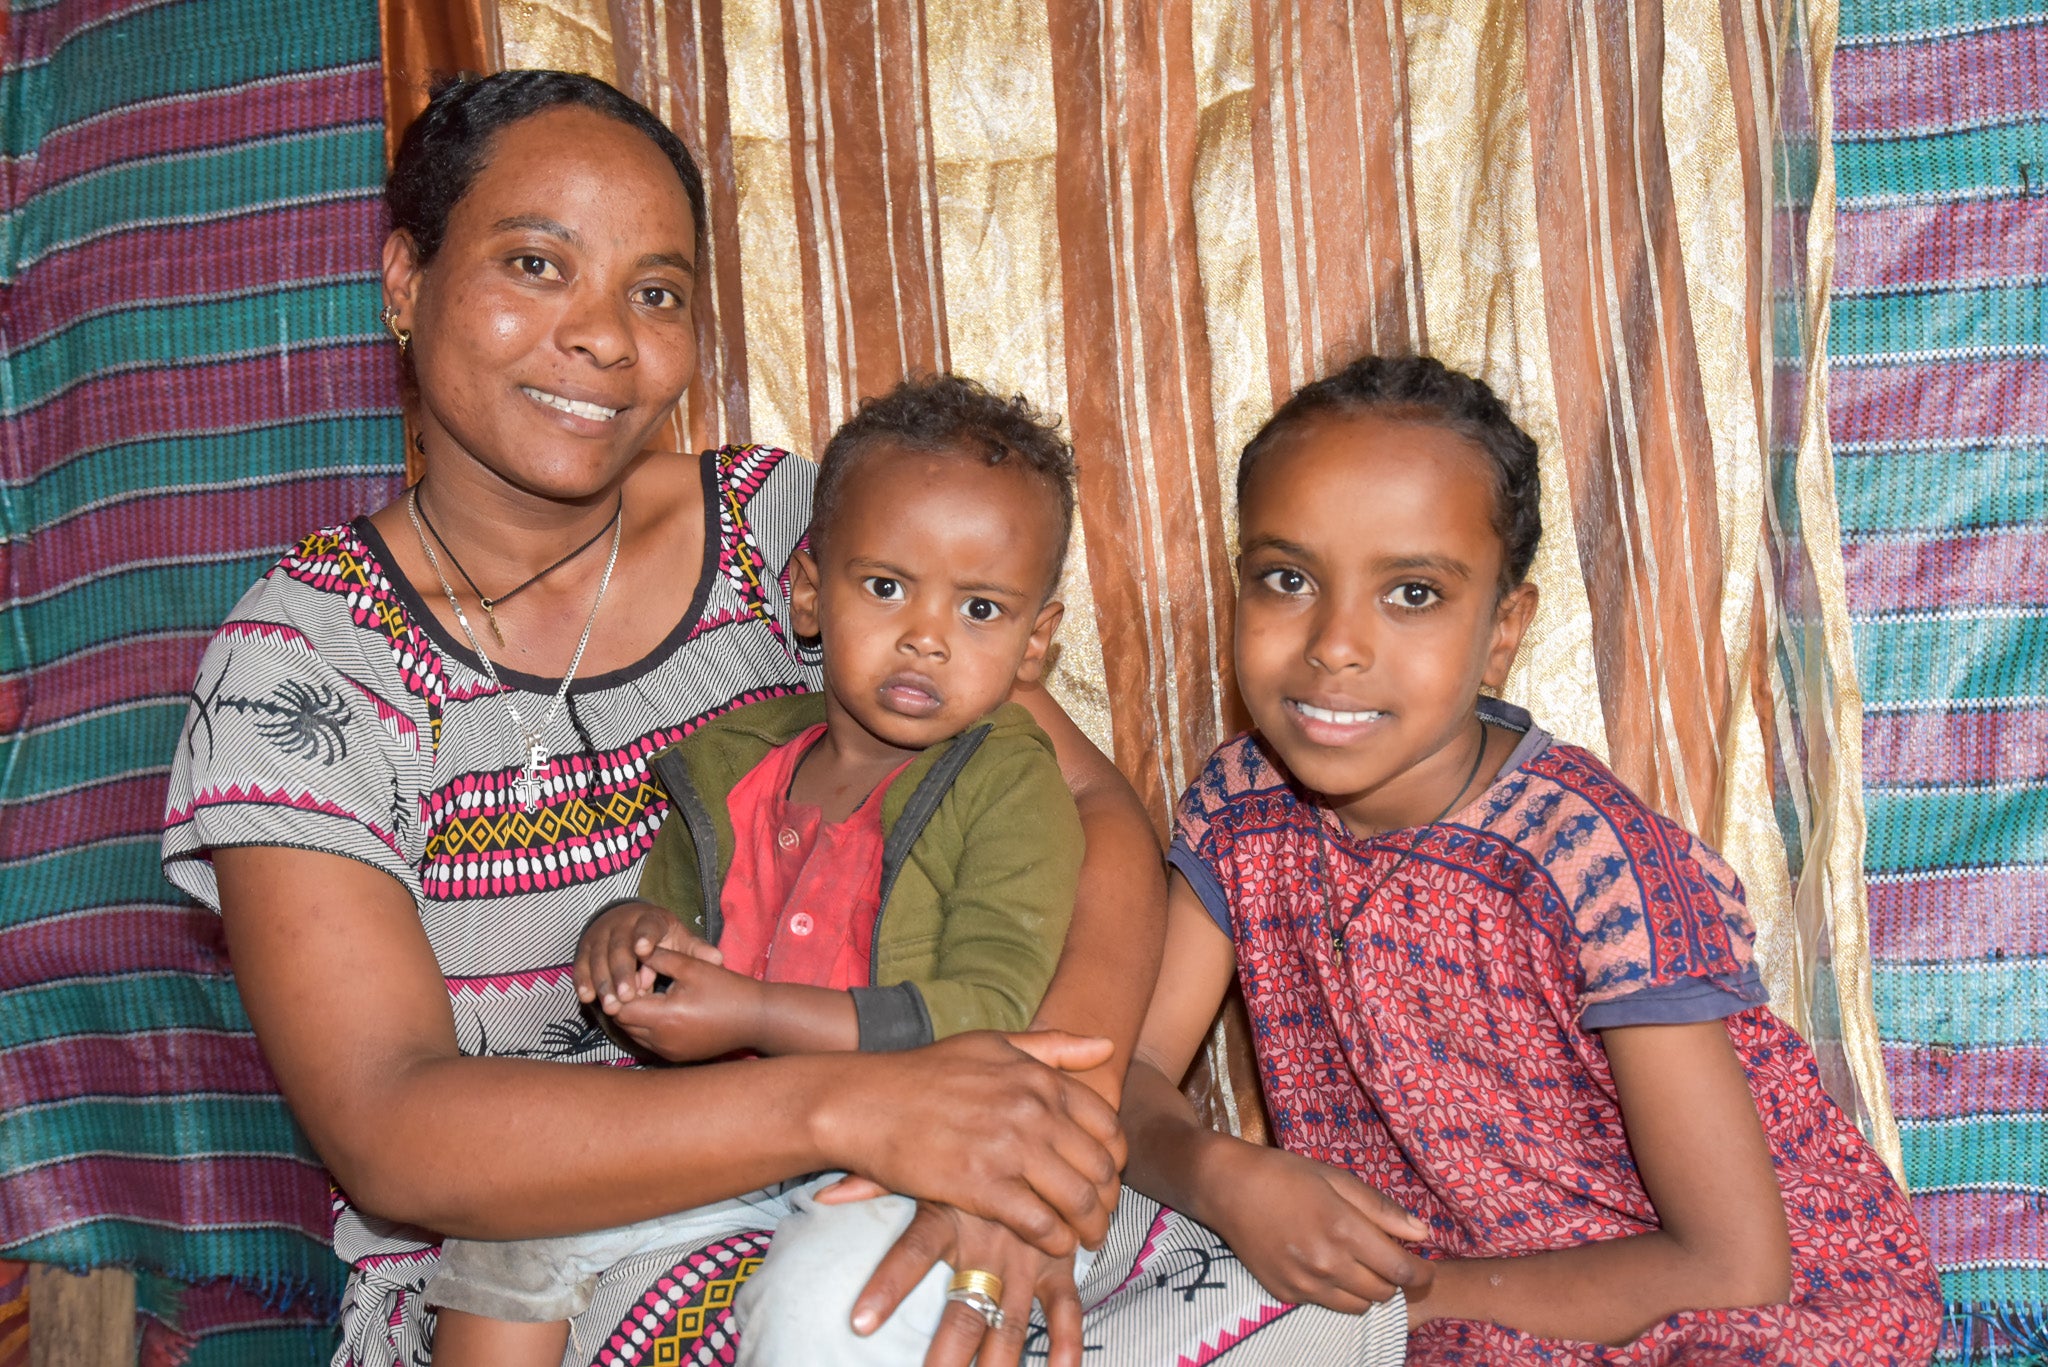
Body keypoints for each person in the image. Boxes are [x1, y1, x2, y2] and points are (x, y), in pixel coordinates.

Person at [162, 70, 1164, 1367]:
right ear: (405, 279)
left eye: (656, 291)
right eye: (536, 264)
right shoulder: (299, 668)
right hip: (518, 1269)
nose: (604, 338)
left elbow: (1088, 807)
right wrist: (861, 1102)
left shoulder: (785, 530)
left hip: (882, 1176)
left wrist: (1035, 1141)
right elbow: (390, 1127)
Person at [1119, 353, 1944, 1364]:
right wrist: (1215, 1173)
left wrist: (1395, 1302)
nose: (1334, 644)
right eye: (1285, 579)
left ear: (1501, 629)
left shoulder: (1592, 866)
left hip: (1703, 1308)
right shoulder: (1239, 809)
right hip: (1407, 1299)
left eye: (1411, 592)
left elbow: (1734, 1266)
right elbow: (1130, 1070)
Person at [423, 373, 1091, 1365]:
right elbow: (675, 957)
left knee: (830, 1303)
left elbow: (990, 1006)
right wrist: (628, 940)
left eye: (981, 607)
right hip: (728, 1136)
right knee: (509, 1230)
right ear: (810, 590)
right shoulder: (736, 766)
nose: (926, 633)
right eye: (885, 585)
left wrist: (752, 1011)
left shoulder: (1006, 786)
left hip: (912, 1155)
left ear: (1036, 640)